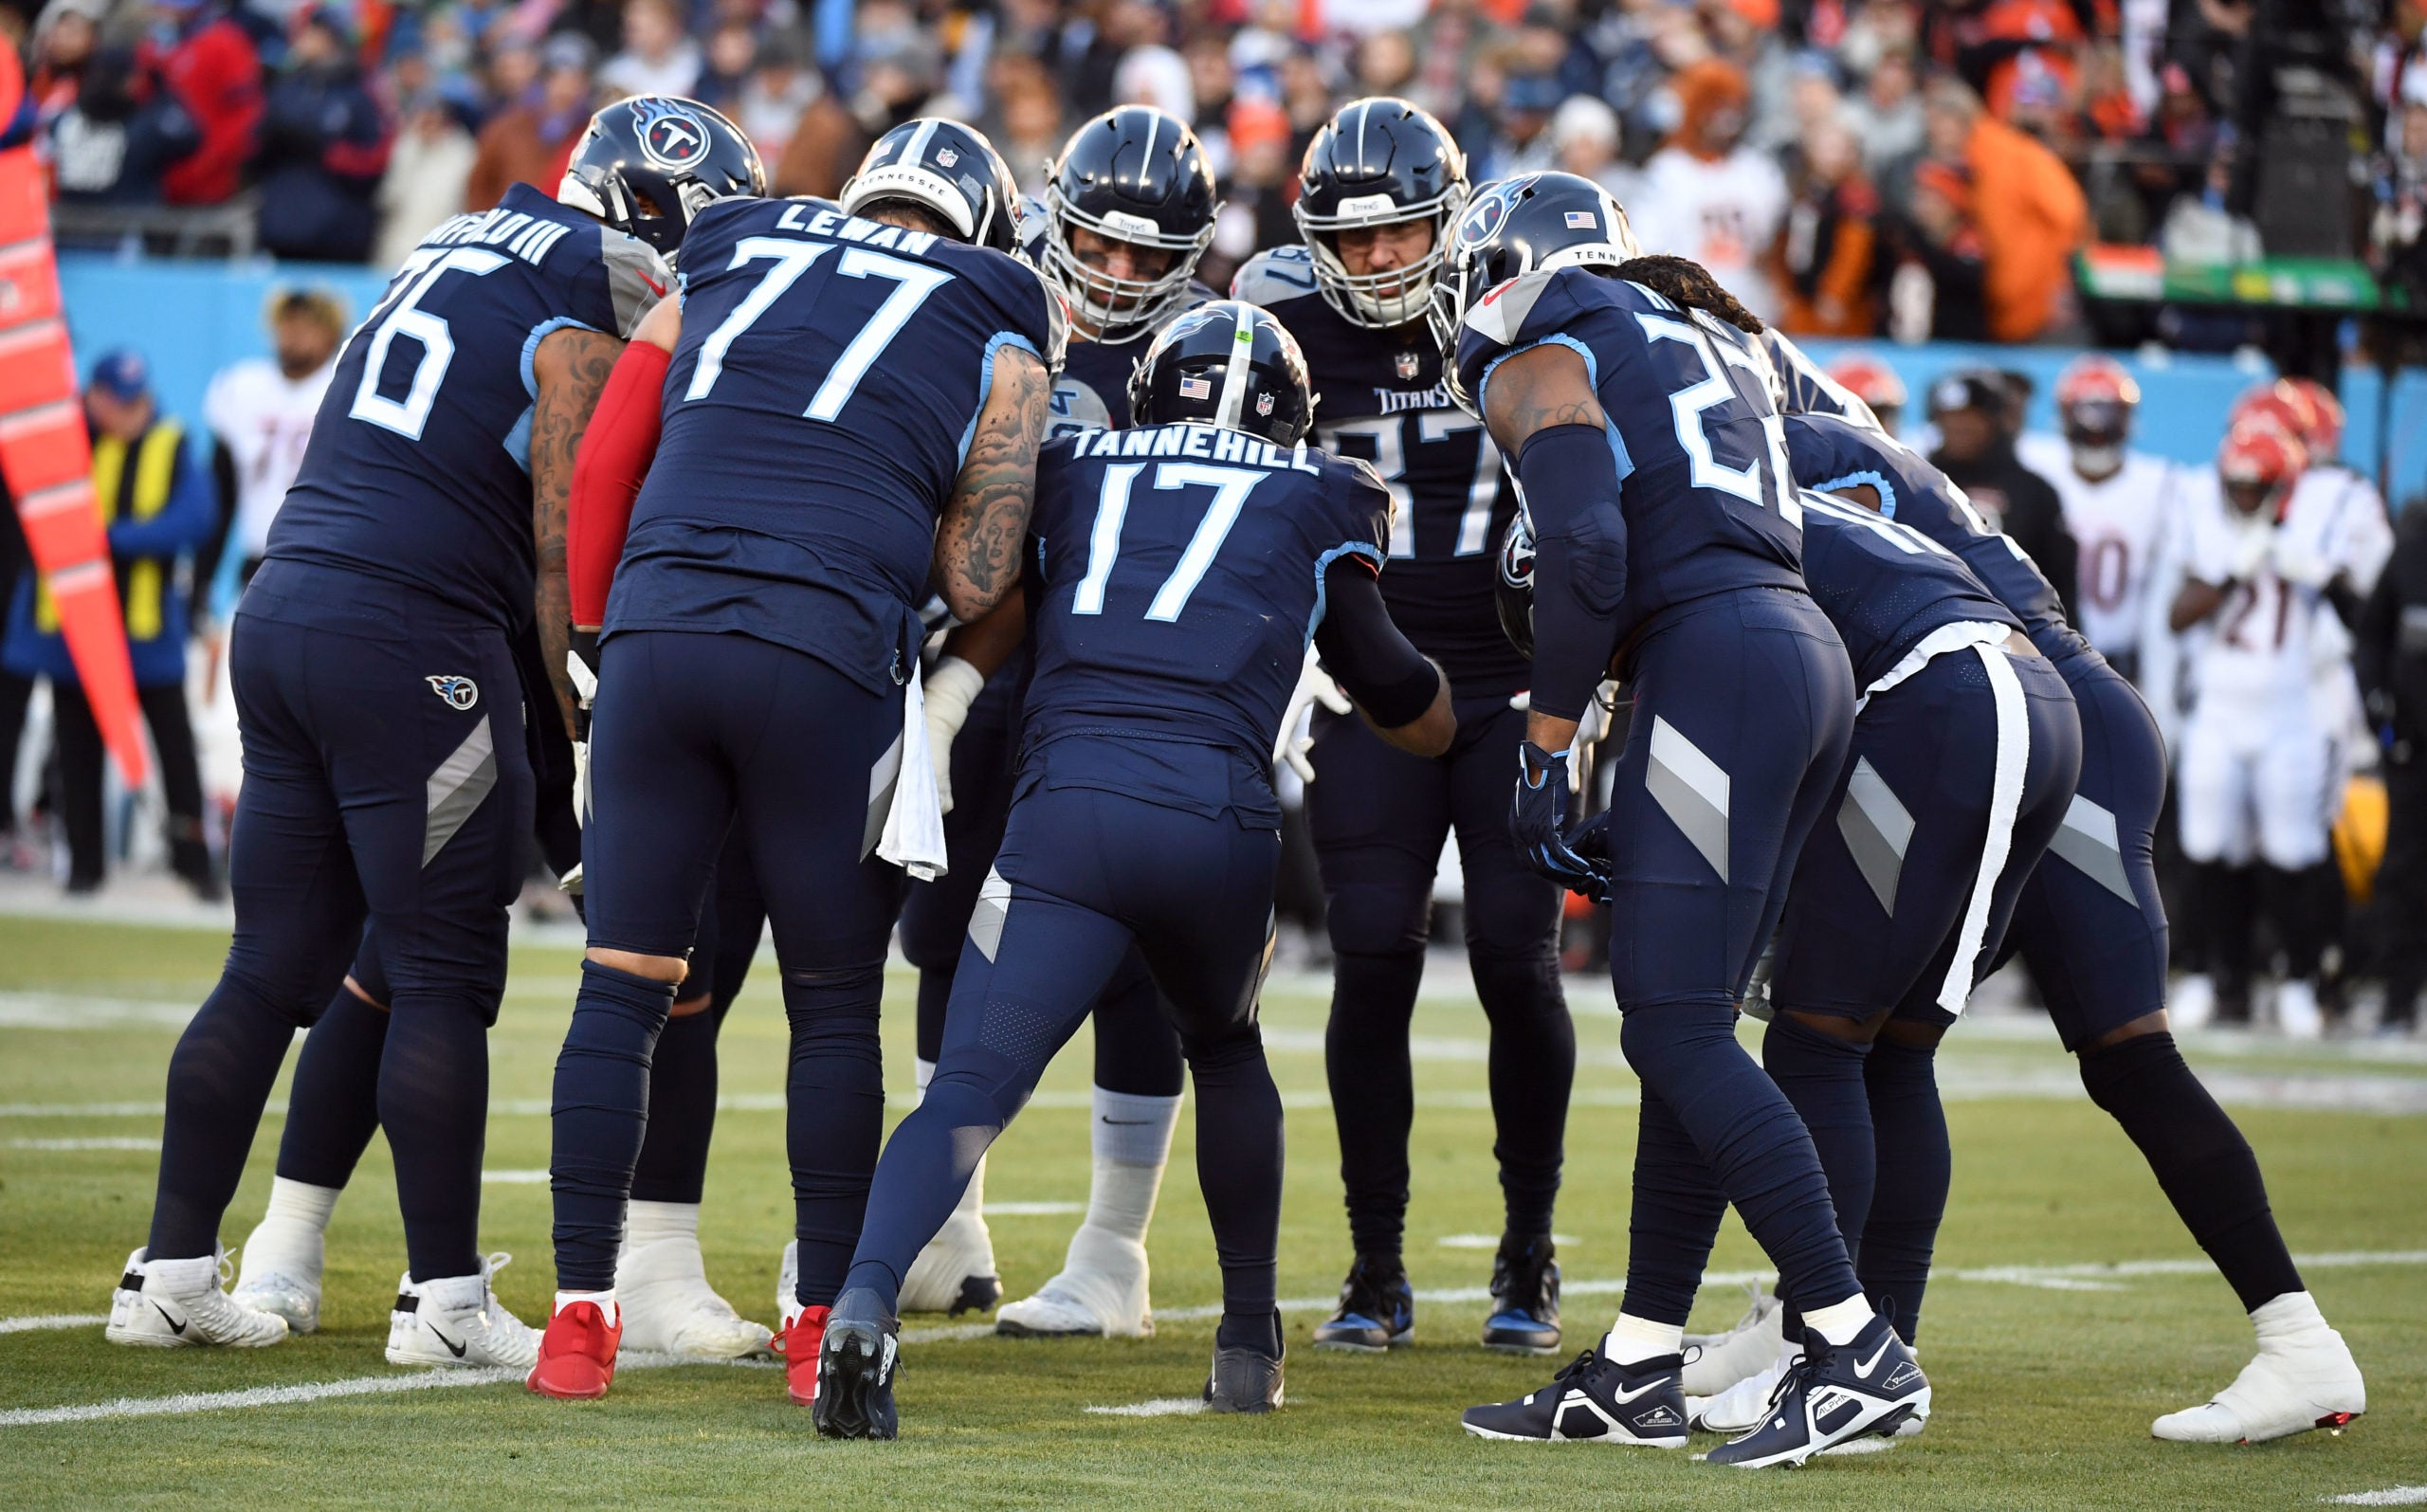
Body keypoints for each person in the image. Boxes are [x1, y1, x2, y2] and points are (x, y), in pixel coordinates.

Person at [103, 99, 691, 1363]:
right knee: (441, 969)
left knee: (267, 963)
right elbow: (554, 560)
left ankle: (166, 1265)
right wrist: (578, 732)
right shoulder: (587, 300)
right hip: (409, 635)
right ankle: (443, 1298)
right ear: (657, 216)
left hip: (286, 604)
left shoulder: (455, 242)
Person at [813, 301, 1456, 1437]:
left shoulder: (1073, 465)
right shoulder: (1318, 491)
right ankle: (1249, 1337)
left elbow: (986, 598)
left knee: (968, 1087)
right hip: (1215, 821)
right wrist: (1452, 714)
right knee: (1225, 1047)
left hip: (1067, 810)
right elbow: (1403, 693)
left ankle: (862, 1303)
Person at [527, 118, 1060, 1406]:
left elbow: (605, 454)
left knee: (623, 984)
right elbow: (976, 567)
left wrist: (601, 642)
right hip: (824, 647)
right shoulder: (1001, 304)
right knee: (832, 1001)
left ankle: (576, 1327)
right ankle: (821, 1322)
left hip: (659, 627)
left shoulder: (734, 240)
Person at [1434, 175, 1925, 1468]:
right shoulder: (1715, 333)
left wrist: (1547, 747)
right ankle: (1645, 1356)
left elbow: (1588, 550)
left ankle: (1852, 1338)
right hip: (1793, 650)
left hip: (1720, 657)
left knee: (1665, 1019)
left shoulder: (1534, 327)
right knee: (1689, 1019)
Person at [1779, 401, 2369, 1446]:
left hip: (2020, 715)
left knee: (1849, 1032)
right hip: (2056, 708)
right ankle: (1843, 1331)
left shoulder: (1775, 443)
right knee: (1881, 1037)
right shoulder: (1824, 431)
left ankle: (1843, 1338)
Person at [1232, 97, 1575, 1357]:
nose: (1378, 260)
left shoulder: (1516, 303)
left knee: (1512, 955)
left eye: (1403, 235)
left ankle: (1527, 1245)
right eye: (1354, 240)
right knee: (1371, 949)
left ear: (1451, 219)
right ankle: (1376, 1263)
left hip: (1513, 680)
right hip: (1373, 684)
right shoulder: (1279, 320)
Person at [942, 103, 1222, 1341]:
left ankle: (1114, 1252)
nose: (1114, 277)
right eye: (1096, 247)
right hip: (988, 674)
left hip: (1128, 688)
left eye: (1145, 259)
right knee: (943, 930)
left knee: (1136, 963)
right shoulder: (991, 306)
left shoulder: (1222, 351)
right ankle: (951, 1225)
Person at [2168, 423, 2392, 1039]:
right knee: (2208, 846)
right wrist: (2229, 572)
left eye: (2255, 486)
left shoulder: (2311, 538)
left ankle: (2297, 979)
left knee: (2294, 851)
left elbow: (2365, 621)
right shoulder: (2208, 526)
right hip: (2218, 706)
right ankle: (2213, 976)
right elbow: (2177, 613)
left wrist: (2325, 577)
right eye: (2235, 486)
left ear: (2283, 486)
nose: (2243, 496)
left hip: (2291, 711)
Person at [3, 349, 217, 898]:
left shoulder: (169, 441)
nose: (132, 411)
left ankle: (194, 863)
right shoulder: (63, 439)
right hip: (70, 629)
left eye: (138, 399)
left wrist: (111, 540)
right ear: (94, 397)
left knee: (175, 751)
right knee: (76, 751)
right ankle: (84, 867)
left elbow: (195, 518)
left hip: (145, 630)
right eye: (120, 401)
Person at [2015, 355, 2188, 684]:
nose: (2096, 429)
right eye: (2085, 415)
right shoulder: (2036, 467)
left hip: (2120, 661)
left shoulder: (2161, 484)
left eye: (2108, 414)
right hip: (2044, 657)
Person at [200, 288, 346, 597]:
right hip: (258, 560)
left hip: (326, 562)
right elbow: (222, 493)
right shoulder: (243, 387)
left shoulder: (344, 386)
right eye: (286, 324)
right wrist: (202, 581)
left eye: (306, 326)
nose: (292, 335)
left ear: (330, 334)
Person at [2356, 493, 2427, 1034]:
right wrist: (2380, 708)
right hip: (2415, 746)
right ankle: (2398, 996)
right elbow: (2371, 634)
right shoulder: (2410, 551)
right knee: (2403, 870)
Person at [1925, 367, 2078, 617]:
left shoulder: (2035, 492)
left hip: (2020, 634)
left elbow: (2060, 584)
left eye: (1970, 415)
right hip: (1933, 631)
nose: (1958, 425)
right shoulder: (1919, 482)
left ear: (1995, 420)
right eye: (1949, 416)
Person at [253, 5, 391, 264]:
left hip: (336, 234)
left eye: (311, 32)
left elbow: (375, 162)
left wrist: (324, 151)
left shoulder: (360, 93)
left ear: (330, 38)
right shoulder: (286, 87)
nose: (302, 38)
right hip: (281, 227)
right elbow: (253, 152)